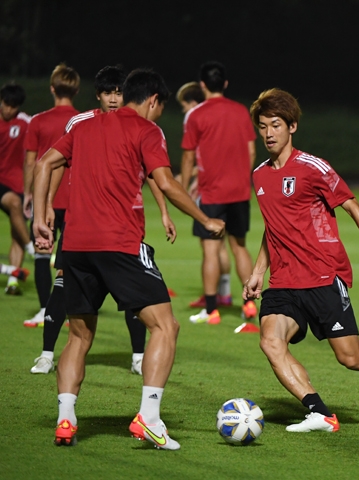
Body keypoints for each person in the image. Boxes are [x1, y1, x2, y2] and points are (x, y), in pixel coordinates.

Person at [32, 68, 225, 449]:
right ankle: (149, 418)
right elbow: (166, 182)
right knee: (166, 327)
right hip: (120, 245)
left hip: (76, 246)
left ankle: (66, 421)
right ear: (153, 100)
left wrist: (41, 218)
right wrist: (205, 218)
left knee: (79, 335)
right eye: (159, 108)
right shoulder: (146, 130)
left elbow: (43, 165)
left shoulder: (85, 126)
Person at [243, 88, 359, 432]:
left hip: (323, 276)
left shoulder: (312, 167)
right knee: (270, 342)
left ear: (292, 127)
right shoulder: (260, 175)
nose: (269, 133)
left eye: (276, 125)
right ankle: (318, 412)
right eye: (263, 126)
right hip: (283, 282)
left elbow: (351, 205)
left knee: (350, 357)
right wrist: (258, 272)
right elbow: (274, 229)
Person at [26, 66, 168, 377]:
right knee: (63, 285)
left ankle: (138, 356)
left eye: (120, 92)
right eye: (109, 93)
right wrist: (47, 205)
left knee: (133, 295)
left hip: (120, 223)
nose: (115, 99)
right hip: (79, 215)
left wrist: (164, 211)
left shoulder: (139, 127)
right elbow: (54, 163)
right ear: (99, 96)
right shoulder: (82, 124)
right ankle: (47, 353)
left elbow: (155, 175)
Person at [180, 62, 257, 331]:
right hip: (239, 192)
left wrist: (185, 186)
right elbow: (250, 152)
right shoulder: (240, 111)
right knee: (239, 246)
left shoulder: (196, 115)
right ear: (225, 84)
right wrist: (242, 181)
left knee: (211, 250)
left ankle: (211, 310)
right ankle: (249, 304)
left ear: (202, 85)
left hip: (212, 193)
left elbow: (189, 156)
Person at [22, 64, 80, 326]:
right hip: (73, 199)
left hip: (45, 197)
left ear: (52, 89)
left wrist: (28, 193)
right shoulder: (83, 121)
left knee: (42, 253)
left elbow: (32, 162)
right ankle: (67, 308)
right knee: (68, 258)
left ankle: (46, 309)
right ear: (77, 90)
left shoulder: (38, 120)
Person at [175, 81, 233, 309]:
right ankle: (225, 294)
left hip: (209, 188)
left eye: (183, 107)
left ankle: (211, 300)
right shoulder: (223, 117)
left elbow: (197, 156)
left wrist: (191, 180)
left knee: (209, 246)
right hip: (229, 187)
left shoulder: (195, 118)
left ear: (191, 103)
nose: (184, 112)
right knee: (221, 246)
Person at [0, 83, 34, 295]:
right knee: (13, 203)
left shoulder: (27, 123)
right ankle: (32, 249)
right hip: (1, 182)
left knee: (16, 233)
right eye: (6, 104)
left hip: (19, 184)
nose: (9, 109)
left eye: (14, 106)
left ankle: (12, 282)